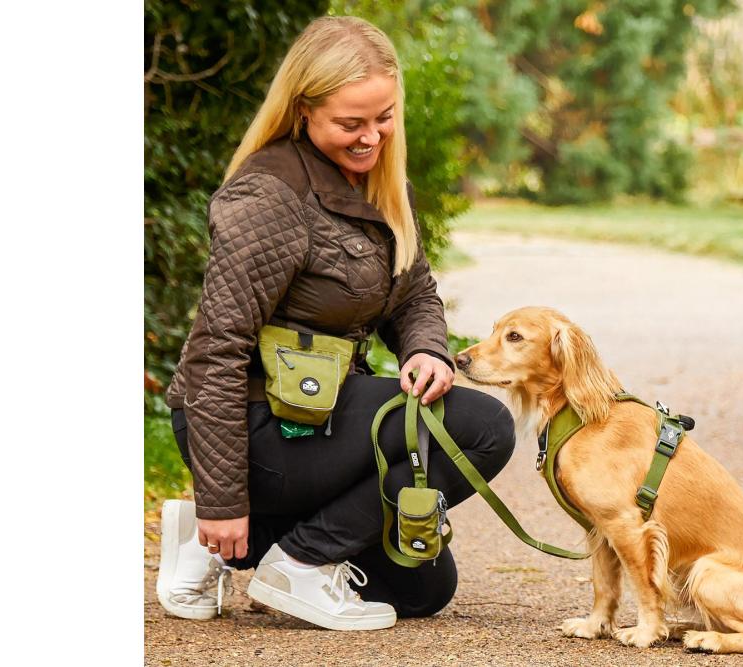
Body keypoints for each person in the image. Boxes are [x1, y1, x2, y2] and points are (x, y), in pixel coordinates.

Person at [155, 15, 515, 631]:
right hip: (255, 427)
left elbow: (414, 292)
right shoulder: (270, 196)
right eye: (350, 123)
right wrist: (221, 495)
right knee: (483, 428)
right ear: (302, 111)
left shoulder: (379, 184)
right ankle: (298, 561)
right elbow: (215, 352)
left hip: (317, 417)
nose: (371, 137)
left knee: (423, 586)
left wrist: (426, 349)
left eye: (384, 117)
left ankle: (209, 543)